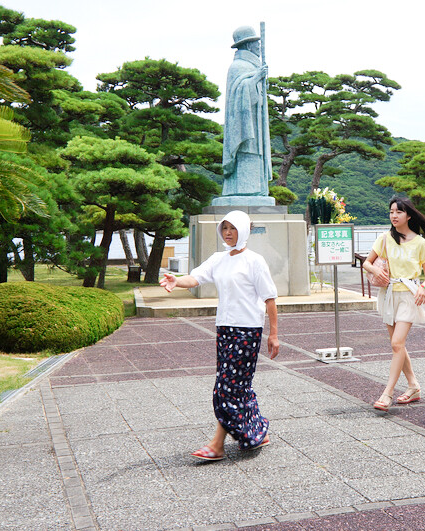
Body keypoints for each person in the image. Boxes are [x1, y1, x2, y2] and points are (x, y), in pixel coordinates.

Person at [160, 210, 279, 460]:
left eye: (233, 228)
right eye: (224, 228)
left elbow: (270, 298)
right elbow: (195, 278)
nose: (227, 232)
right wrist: (176, 280)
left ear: (244, 230)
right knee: (239, 386)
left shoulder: (255, 261)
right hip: (224, 328)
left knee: (225, 389)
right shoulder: (218, 258)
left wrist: (273, 334)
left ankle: (217, 445)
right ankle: (258, 431)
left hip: (248, 331)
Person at [363, 197, 425, 412]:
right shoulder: (385, 238)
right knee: (398, 345)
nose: (394, 215)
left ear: (409, 215)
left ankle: (387, 393)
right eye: (391, 211)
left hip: (409, 296)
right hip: (388, 294)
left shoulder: (420, 242)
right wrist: (375, 270)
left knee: (397, 343)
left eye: (399, 212)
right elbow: (367, 262)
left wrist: (424, 288)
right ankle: (413, 386)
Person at [221, 26, 272, 197]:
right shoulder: (238, 66)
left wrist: (260, 78)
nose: (259, 47)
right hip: (244, 127)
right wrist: (256, 77)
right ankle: (242, 191)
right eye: (256, 43)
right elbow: (238, 95)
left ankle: (257, 190)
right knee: (246, 153)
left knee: (255, 156)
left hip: (256, 124)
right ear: (248, 45)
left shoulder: (252, 66)